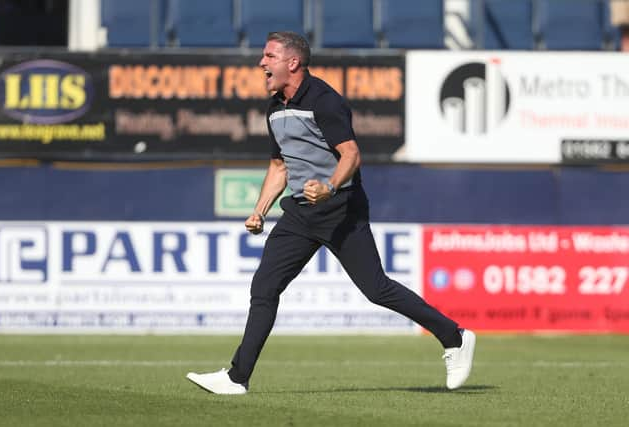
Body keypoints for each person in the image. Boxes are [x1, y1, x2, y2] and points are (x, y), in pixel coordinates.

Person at [186, 31, 475, 395]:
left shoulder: (324, 100)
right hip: (299, 214)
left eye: (269, 56)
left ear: (293, 63)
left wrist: (329, 187)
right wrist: (259, 210)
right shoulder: (275, 107)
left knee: (376, 289)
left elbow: (351, 154)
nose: (262, 63)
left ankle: (455, 336)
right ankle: (236, 377)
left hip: (341, 210)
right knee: (264, 287)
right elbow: (279, 166)